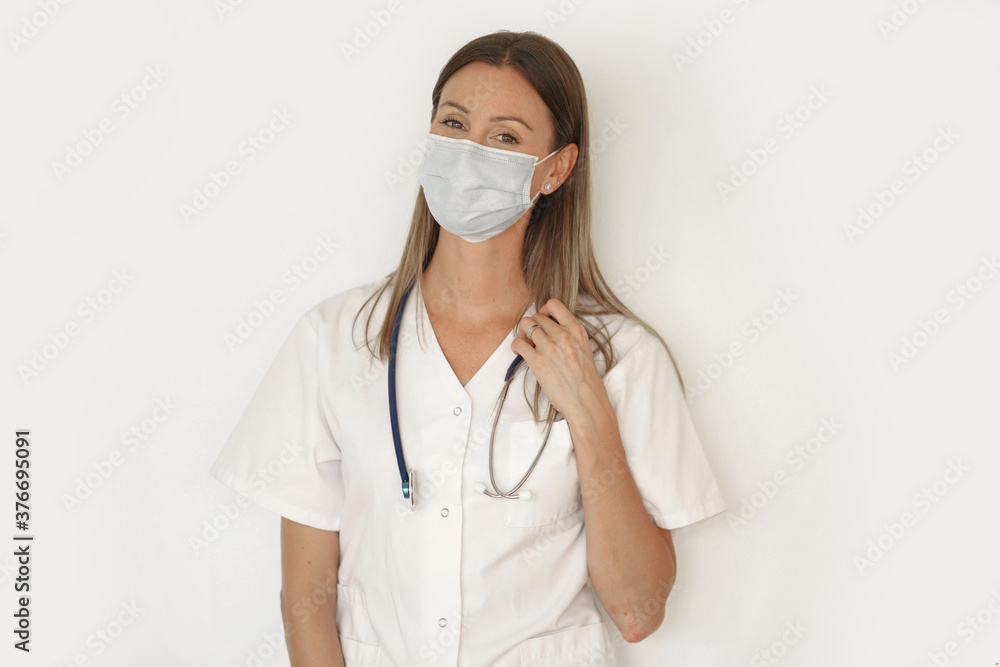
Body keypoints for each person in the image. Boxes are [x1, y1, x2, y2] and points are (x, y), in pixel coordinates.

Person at [208, 29, 726, 667]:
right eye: (453, 123)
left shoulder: (620, 357)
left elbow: (638, 611)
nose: (468, 151)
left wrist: (589, 413)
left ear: (556, 169)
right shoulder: (334, 340)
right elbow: (306, 599)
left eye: (506, 137)